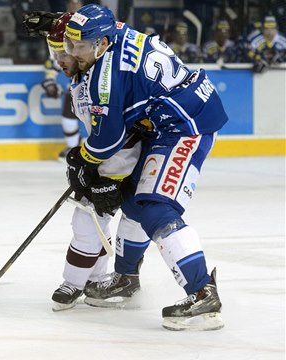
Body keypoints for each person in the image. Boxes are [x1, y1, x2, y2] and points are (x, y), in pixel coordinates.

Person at [62, 4, 227, 330]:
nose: (74, 53)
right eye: (70, 44)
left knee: (154, 207)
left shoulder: (104, 80)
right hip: (173, 115)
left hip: (185, 126)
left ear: (102, 43)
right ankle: (125, 279)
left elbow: (108, 138)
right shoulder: (114, 31)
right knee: (133, 200)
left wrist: (82, 160)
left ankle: (202, 292)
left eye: (81, 46)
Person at [25, 11, 143, 311]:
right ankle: (97, 280)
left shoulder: (100, 79)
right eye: (55, 53)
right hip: (113, 154)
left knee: (90, 218)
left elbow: (117, 132)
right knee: (93, 220)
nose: (60, 60)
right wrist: (57, 23)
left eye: (65, 53)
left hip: (126, 158)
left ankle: (76, 282)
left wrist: (94, 168)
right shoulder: (85, 67)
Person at [41, 0, 84, 160]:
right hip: (77, 84)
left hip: (97, 81)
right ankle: (74, 148)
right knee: (68, 116)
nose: (74, 6)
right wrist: (50, 82)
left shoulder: (90, 28)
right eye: (71, 3)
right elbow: (54, 62)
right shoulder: (59, 30)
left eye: (77, 2)